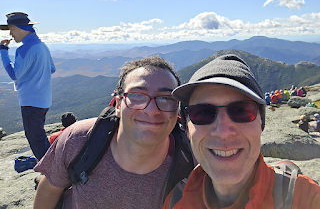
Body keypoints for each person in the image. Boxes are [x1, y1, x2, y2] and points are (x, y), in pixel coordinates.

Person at [33, 55, 195, 209]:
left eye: (166, 98)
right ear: (118, 105)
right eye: (138, 95)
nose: (151, 110)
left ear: (177, 110)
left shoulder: (193, 158)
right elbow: (49, 190)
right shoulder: (79, 140)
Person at [162, 54, 320, 209]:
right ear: (187, 130)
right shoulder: (175, 201)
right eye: (203, 113)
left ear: (261, 124)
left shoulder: (306, 197)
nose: (223, 131)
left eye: (241, 111)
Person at [0, 12, 56, 160]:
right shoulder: (42, 46)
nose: (10, 34)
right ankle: (52, 166)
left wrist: (3, 51)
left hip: (31, 101)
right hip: (44, 99)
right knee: (39, 135)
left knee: (36, 140)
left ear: (21, 28)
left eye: (12, 29)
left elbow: (14, 74)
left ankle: (51, 174)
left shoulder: (24, 49)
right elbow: (52, 68)